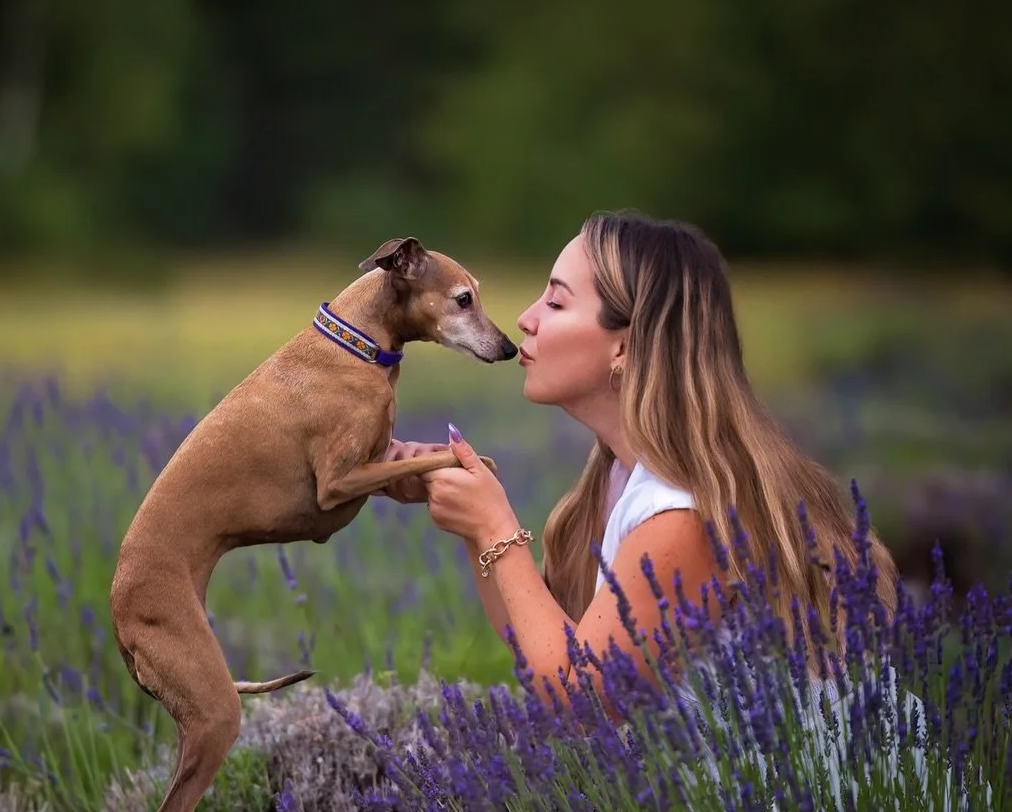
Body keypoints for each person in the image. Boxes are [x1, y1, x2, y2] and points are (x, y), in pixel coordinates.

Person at [377, 210, 901, 721]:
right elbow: (539, 653)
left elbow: (582, 699)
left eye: (556, 302)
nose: (526, 318)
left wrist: (495, 524)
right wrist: (475, 521)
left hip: (801, 804)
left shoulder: (679, 513)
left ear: (625, 345)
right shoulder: (620, 479)